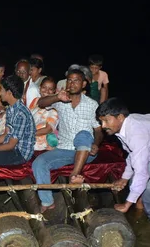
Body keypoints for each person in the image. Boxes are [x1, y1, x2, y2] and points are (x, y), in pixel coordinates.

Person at [32, 68, 103, 213]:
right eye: (69, 80)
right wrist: (57, 97)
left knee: (83, 134)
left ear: (83, 84)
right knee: (39, 163)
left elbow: (98, 130)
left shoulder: (92, 104)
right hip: (64, 148)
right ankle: (47, 202)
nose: (72, 83)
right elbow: (41, 103)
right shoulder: (60, 100)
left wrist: (96, 144)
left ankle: (74, 176)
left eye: (76, 80)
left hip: (86, 151)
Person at [30, 78, 59, 151]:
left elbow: (48, 129)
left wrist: (28, 134)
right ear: (39, 88)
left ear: (54, 91)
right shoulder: (35, 100)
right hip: (29, 134)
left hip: (40, 140)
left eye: (50, 89)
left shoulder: (54, 107)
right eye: (44, 87)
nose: (46, 91)